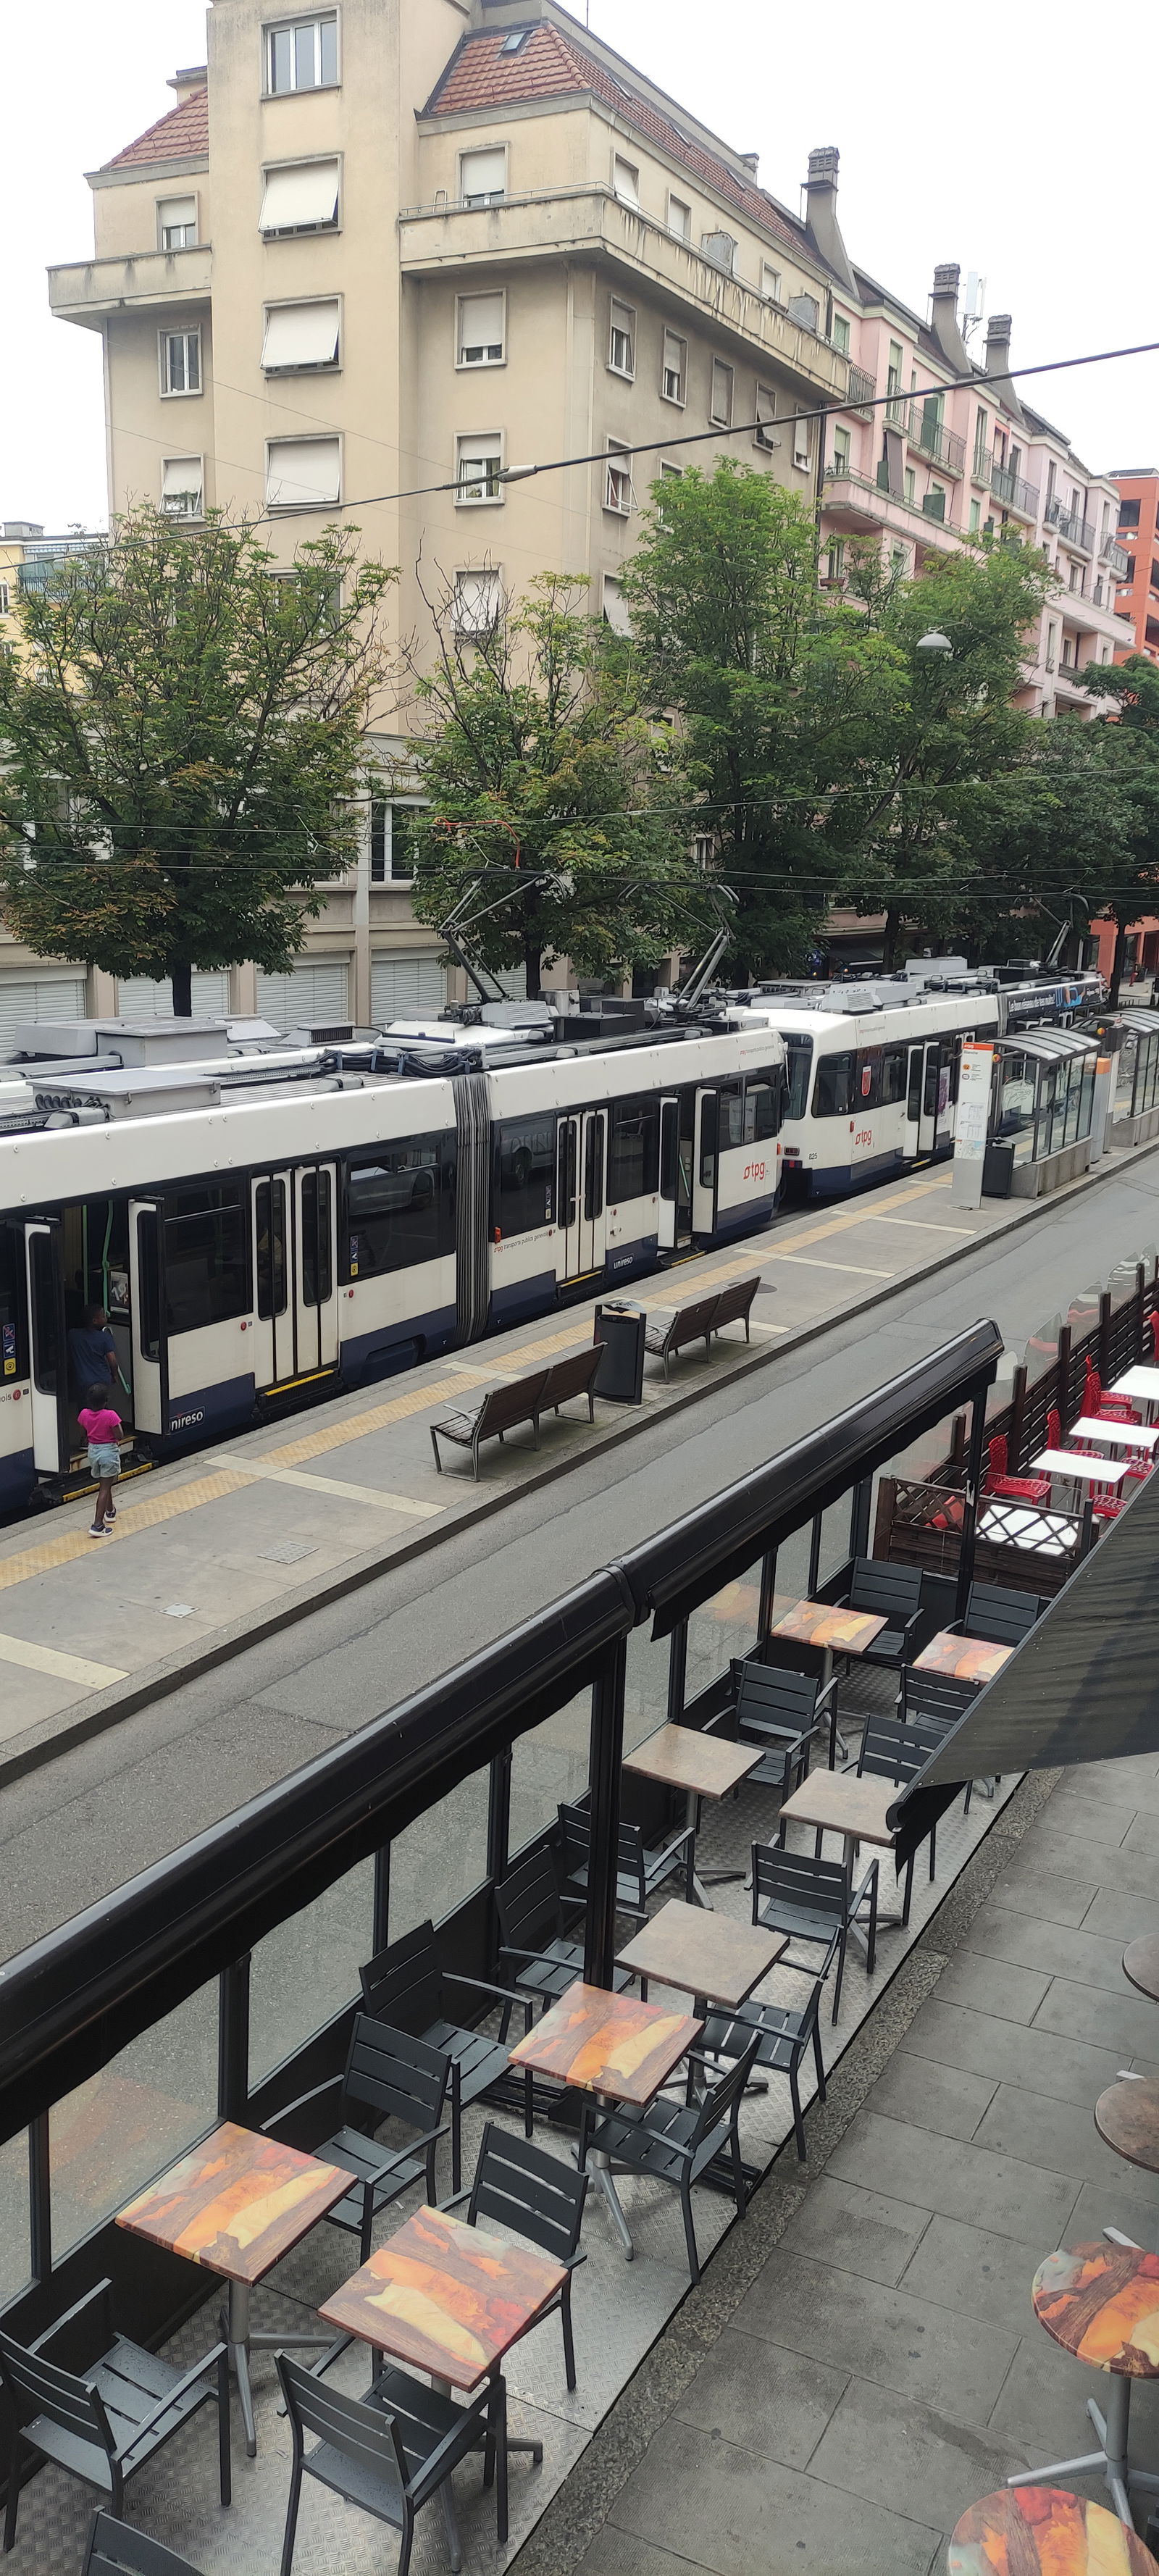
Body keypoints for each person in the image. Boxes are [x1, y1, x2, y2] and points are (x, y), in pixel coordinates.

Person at [78, 1382, 122, 1537]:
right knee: (104, 1488)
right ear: (106, 1400)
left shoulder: (83, 1414)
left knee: (104, 1482)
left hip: (93, 1452)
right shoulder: (111, 1416)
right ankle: (97, 1525)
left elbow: (84, 1432)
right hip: (108, 1451)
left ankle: (110, 1511)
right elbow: (120, 1436)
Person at [67, 1304, 118, 1411]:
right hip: (102, 1379)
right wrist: (114, 1375)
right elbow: (112, 1361)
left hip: (83, 1381)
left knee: (84, 1411)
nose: (106, 1318)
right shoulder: (104, 1337)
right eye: (103, 1316)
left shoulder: (73, 1335)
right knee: (102, 1411)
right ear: (95, 1321)